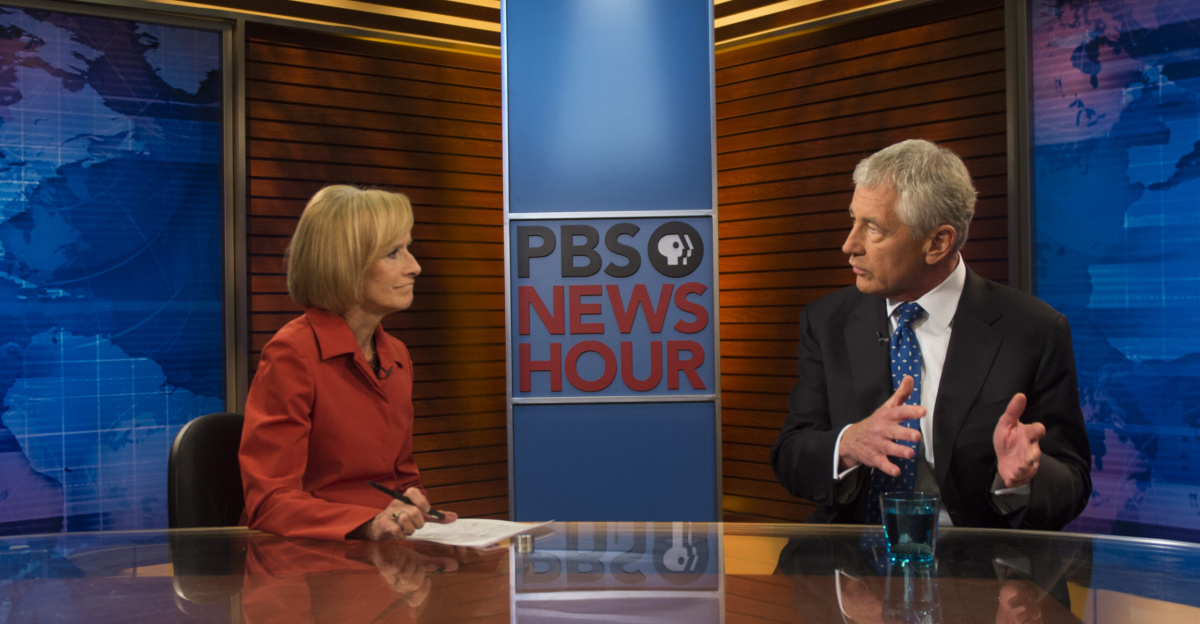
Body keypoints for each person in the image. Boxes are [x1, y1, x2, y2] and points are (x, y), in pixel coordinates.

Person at [769, 139, 1091, 530]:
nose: (848, 246)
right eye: (852, 220)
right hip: (852, 558)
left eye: (872, 229)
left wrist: (1021, 481)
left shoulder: (1034, 331)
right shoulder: (827, 321)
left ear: (938, 243)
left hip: (977, 567)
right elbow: (791, 455)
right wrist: (849, 444)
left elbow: (1073, 480)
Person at [240, 184, 457, 541]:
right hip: (310, 564)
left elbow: (401, 480)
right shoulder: (292, 354)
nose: (414, 267)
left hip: (382, 559)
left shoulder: (397, 356)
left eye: (409, 249)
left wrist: (416, 510)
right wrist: (369, 523)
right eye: (393, 253)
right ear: (345, 264)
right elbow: (270, 502)